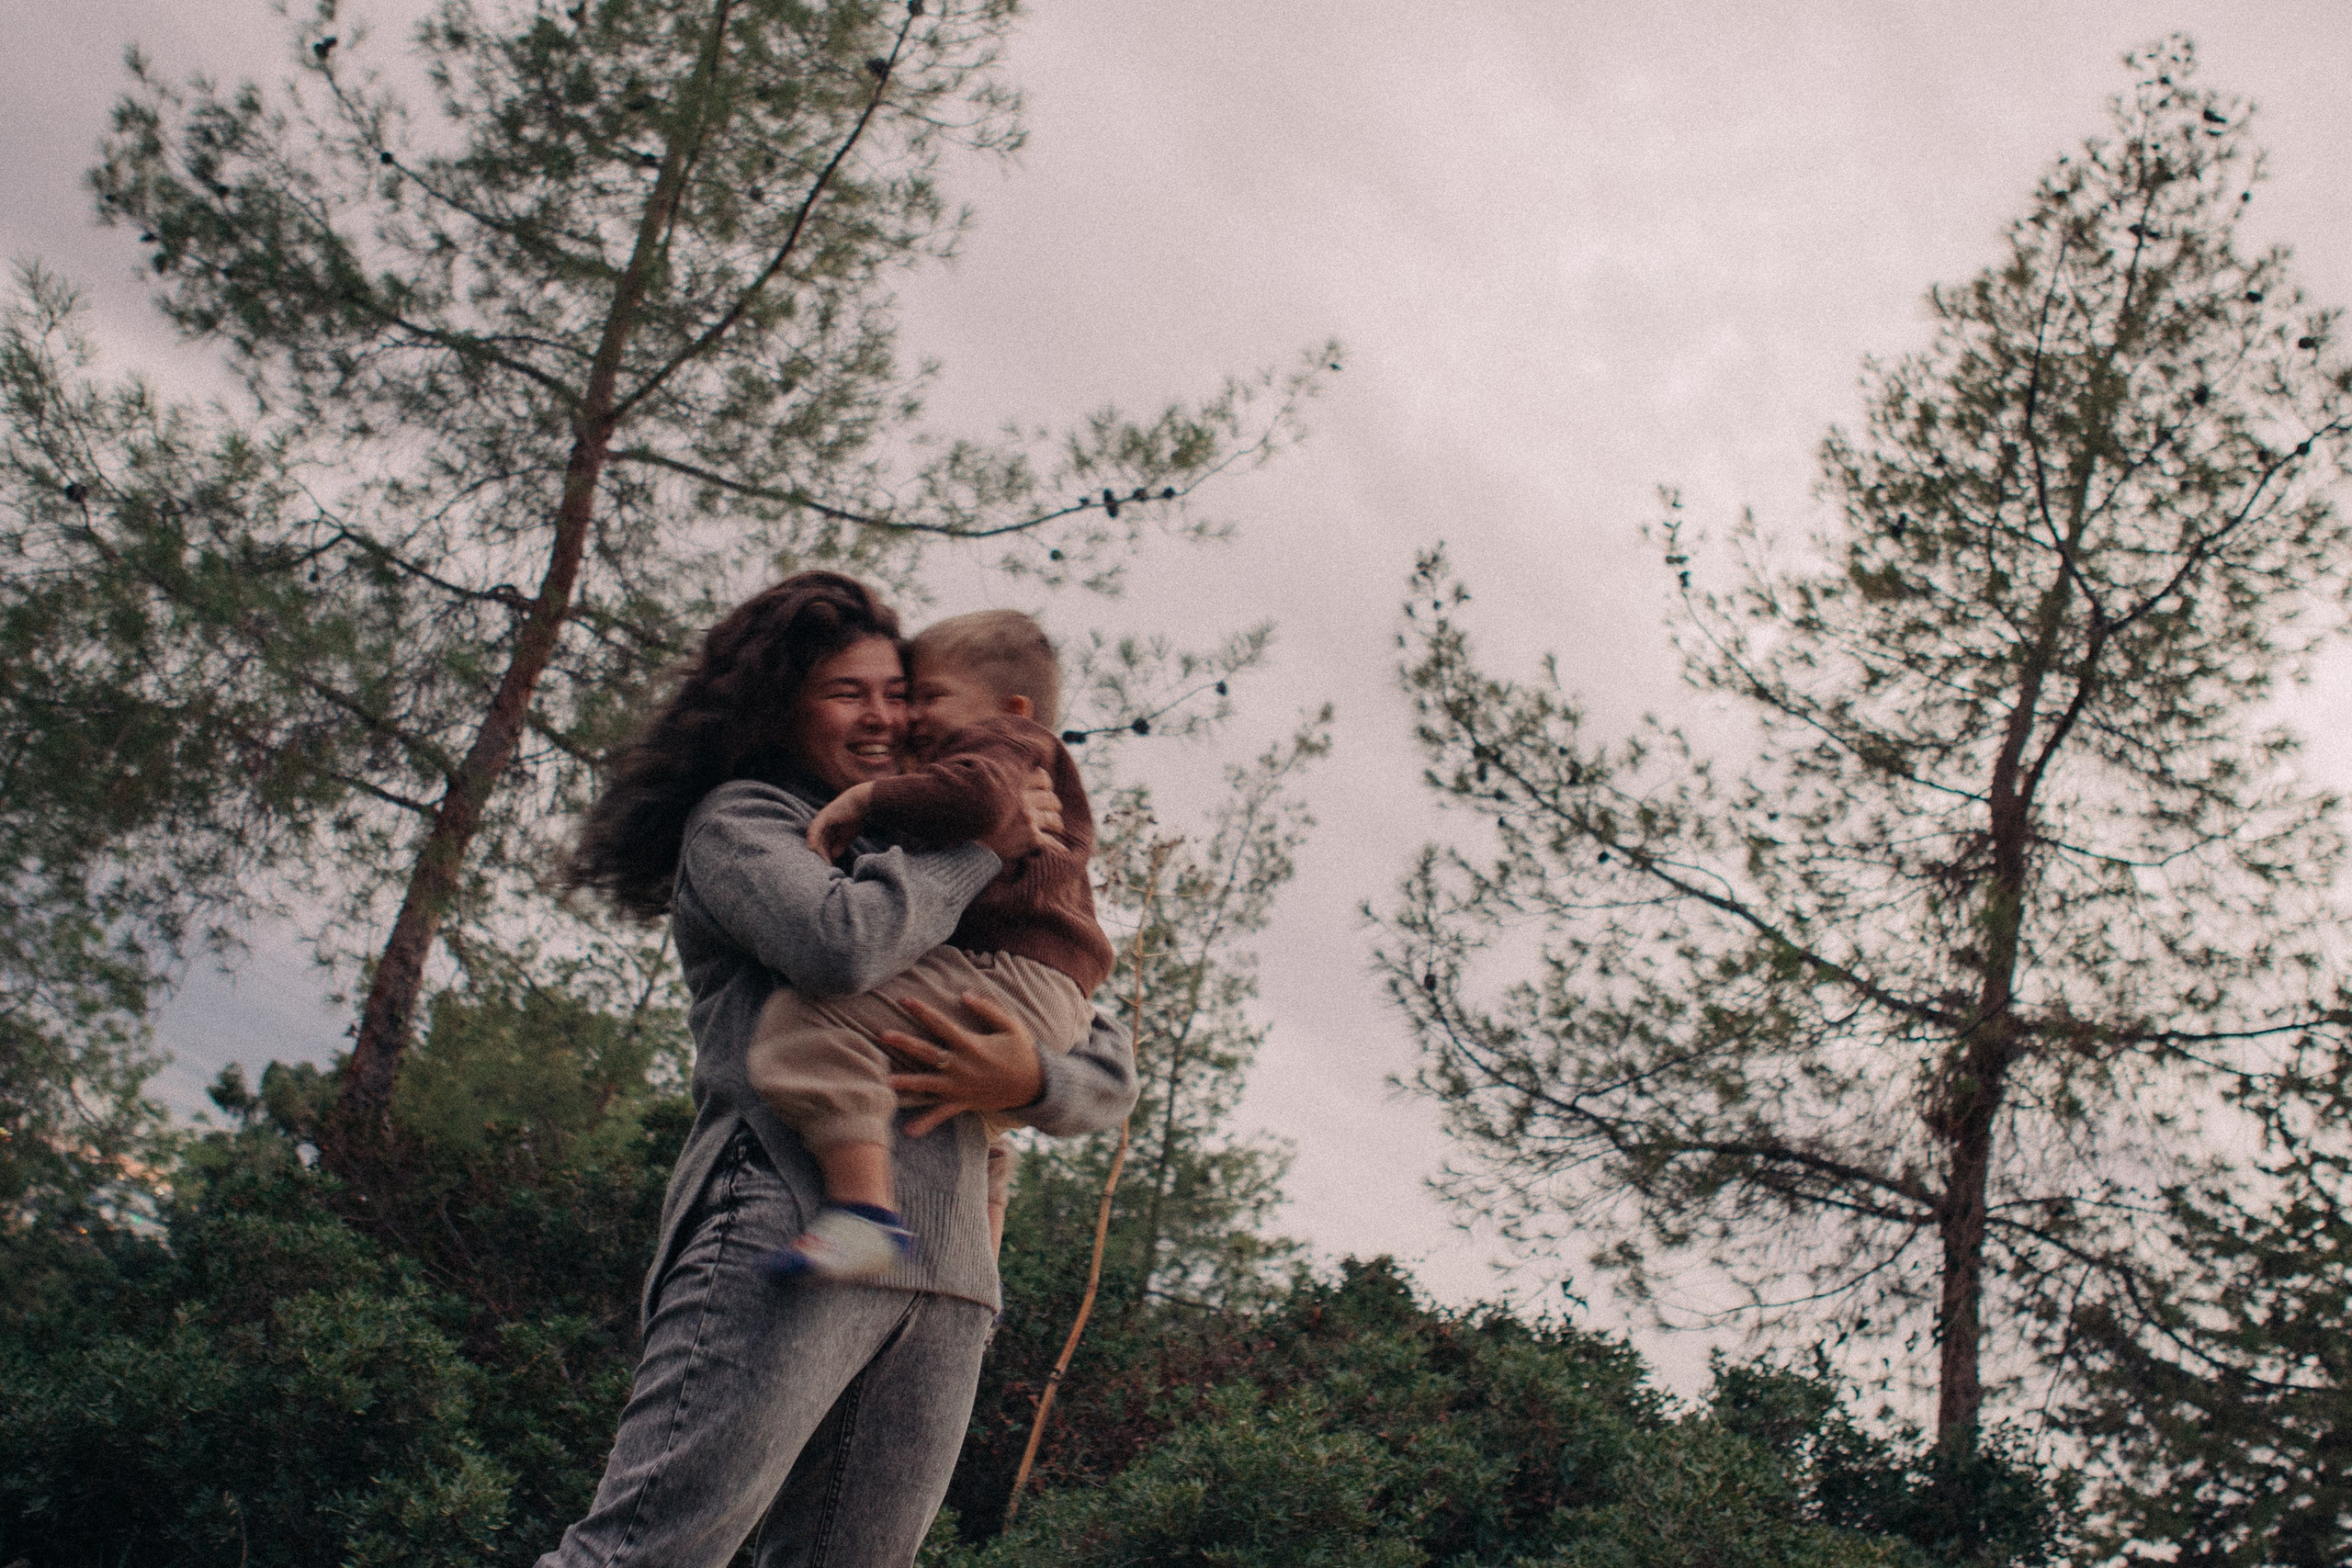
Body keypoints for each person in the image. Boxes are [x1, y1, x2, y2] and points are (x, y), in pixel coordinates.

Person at [550, 572, 1138, 1568]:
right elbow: (841, 946)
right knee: (651, 1553)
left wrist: (1028, 1080)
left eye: (898, 691)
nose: (885, 716)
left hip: (950, 1274)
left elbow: (1105, 1058)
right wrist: (982, 848)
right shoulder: (747, 822)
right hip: (783, 1222)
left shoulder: (915, 831)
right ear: (782, 703)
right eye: (846, 693)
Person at [746, 609, 1115, 1280]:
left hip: (1013, 974)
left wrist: (865, 798)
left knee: (804, 1024)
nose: (908, 716)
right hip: (1046, 989)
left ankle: (862, 1210)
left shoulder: (1004, 745)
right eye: (890, 696)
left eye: (927, 695)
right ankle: (982, 1276)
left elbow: (974, 800)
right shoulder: (747, 814)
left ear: (1013, 708)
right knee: (985, 1138)